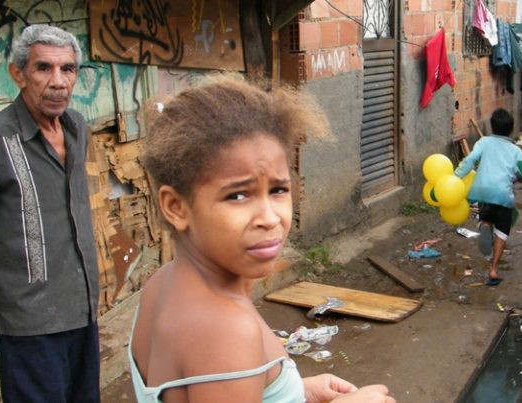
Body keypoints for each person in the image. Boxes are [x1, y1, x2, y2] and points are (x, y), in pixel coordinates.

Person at [129, 73, 395, 402]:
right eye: (238, 196)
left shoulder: (162, 284)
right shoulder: (225, 331)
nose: (270, 218)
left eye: (278, 189)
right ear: (176, 207)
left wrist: (295, 392)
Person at [0, 25, 100, 402]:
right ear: (18, 74)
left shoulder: (76, 127)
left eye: (68, 70)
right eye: (43, 68)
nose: (58, 81)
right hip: (30, 323)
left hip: (83, 308)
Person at [454, 109, 522, 287]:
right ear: (511, 129)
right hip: (503, 195)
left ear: (492, 126)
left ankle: (485, 225)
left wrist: (455, 177)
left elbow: (470, 160)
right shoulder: (515, 150)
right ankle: (493, 269)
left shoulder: (483, 142)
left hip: (482, 192)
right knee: (502, 232)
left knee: (487, 217)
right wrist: (517, 177)